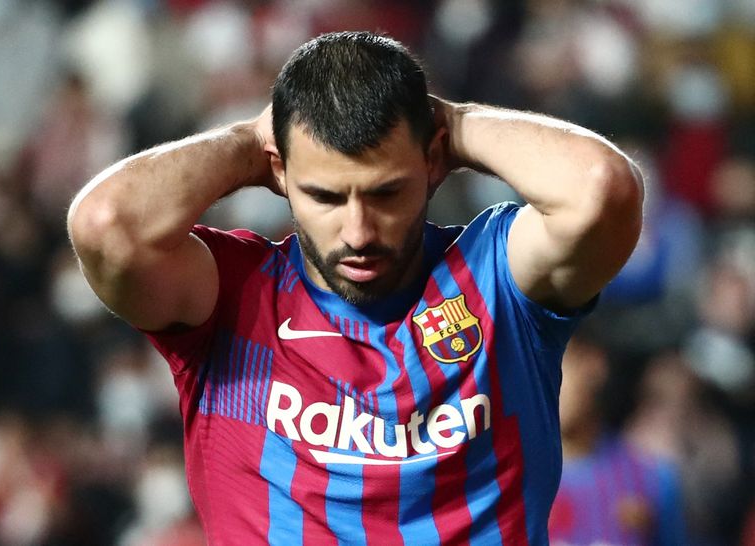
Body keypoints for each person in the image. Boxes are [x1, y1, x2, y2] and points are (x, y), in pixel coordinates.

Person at [68, 31, 643, 545]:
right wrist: (255, 139)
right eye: (325, 196)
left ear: (434, 161)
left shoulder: (496, 283)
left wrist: (451, 121)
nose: (358, 232)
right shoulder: (233, 303)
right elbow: (106, 226)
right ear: (280, 175)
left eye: (385, 192)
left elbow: (602, 190)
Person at [549, 336, 687, 546]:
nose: (544, 383)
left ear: (594, 365)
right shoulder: (506, 480)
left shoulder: (652, 478)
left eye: (555, 364)